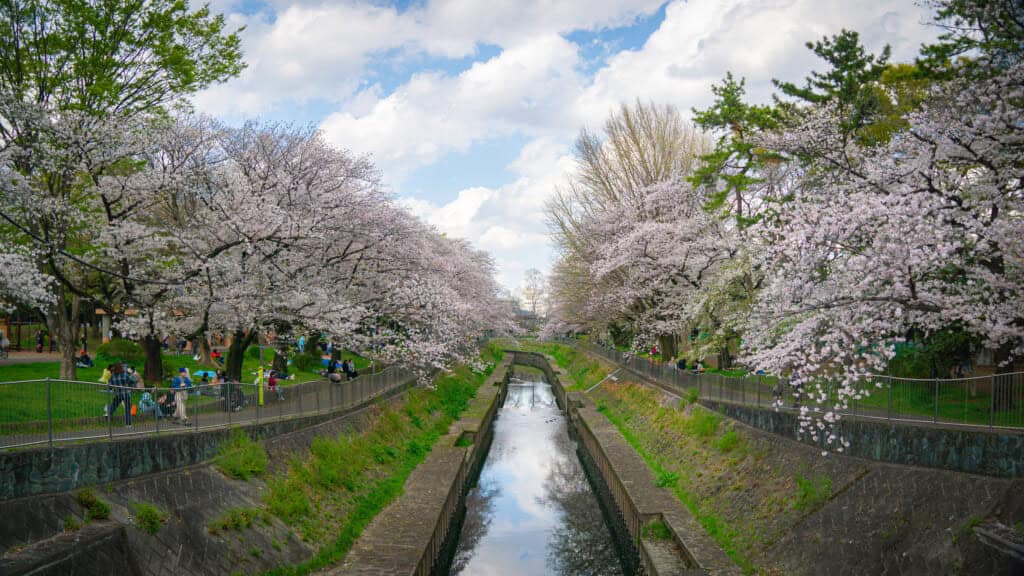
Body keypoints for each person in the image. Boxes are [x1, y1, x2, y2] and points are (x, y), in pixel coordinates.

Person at [105, 364, 134, 428]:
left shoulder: (112, 376)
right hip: (126, 393)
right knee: (127, 409)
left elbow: (109, 386)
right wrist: (131, 387)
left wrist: (112, 388)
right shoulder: (124, 374)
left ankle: (108, 414)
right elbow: (132, 381)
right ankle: (128, 424)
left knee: (114, 405)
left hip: (118, 394)